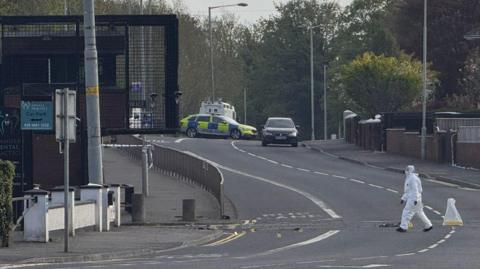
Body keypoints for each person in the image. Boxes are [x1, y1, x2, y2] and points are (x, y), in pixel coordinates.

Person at [397, 165, 433, 233]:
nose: (406, 171)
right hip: (415, 198)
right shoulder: (410, 177)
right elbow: (408, 190)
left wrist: (415, 199)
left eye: (407, 169)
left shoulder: (412, 178)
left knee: (406, 212)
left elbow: (415, 190)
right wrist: (403, 198)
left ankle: (403, 227)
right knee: (419, 212)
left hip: (413, 198)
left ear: (410, 171)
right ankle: (428, 225)